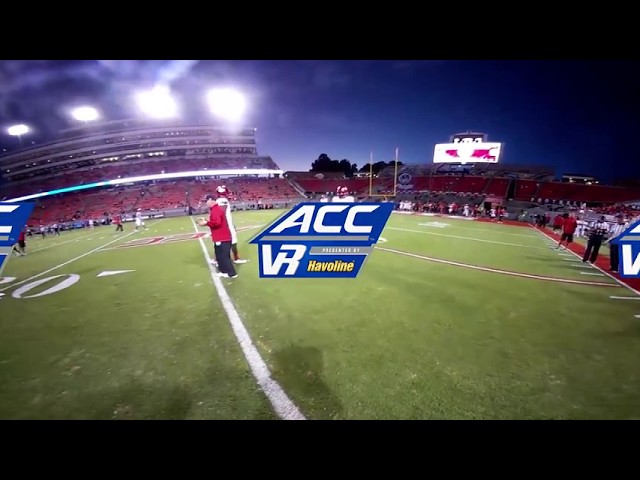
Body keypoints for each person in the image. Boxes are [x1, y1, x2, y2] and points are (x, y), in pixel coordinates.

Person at [198, 194, 237, 278]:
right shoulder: (215, 209)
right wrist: (207, 222)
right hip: (221, 237)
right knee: (220, 256)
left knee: (224, 257)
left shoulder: (216, 210)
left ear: (211, 200)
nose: (206, 203)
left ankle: (232, 273)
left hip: (222, 238)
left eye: (206, 201)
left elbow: (217, 223)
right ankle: (223, 271)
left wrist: (206, 223)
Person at [215, 186, 248, 265]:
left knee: (220, 242)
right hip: (226, 225)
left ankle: (217, 259)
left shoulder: (218, 200)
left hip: (224, 225)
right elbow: (222, 213)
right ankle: (236, 258)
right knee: (233, 241)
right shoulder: (223, 200)